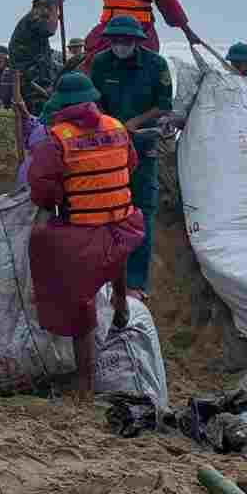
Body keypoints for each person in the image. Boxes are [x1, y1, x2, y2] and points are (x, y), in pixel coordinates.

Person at [25, 70, 144, 396]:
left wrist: (62, 196)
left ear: (61, 106)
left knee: (78, 298)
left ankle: (85, 382)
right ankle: (121, 309)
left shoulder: (58, 139)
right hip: (126, 224)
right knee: (115, 260)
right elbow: (130, 165)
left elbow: (41, 188)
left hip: (85, 232)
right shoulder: (117, 127)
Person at [83, 15, 172, 296]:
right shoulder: (100, 63)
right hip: (108, 147)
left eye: (126, 41)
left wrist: (132, 124)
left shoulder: (156, 65)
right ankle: (106, 278)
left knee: (141, 211)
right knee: (105, 211)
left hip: (143, 146)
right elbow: (93, 103)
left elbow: (163, 105)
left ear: (137, 41)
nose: (120, 45)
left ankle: (135, 283)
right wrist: (110, 127)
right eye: (116, 41)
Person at [8, 0, 64, 114]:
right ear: (43, 9)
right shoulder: (34, 17)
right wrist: (55, 9)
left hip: (32, 76)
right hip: (32, 78)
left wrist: (55, 6)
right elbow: (50, 29)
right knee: (38, 113)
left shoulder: (32, 18)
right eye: (49, 12)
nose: (51, 17)